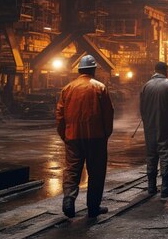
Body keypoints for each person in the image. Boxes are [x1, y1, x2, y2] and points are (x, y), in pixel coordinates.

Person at [56, 55, 114, 219]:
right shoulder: (100, 87)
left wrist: (65, 135)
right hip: (96, 137)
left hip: (73, 137)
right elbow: (108, 113)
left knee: (72, 170)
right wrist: (105, 134)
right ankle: (93, 208)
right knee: (96, 172)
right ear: (93, 70)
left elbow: (60, 115)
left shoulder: (67, 88)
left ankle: (69, 198)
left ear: (80, 70)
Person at [140, 61, 168, 198]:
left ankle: (151, 187)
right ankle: (165, 187)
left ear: (155, 70)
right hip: (166, 126)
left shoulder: (146, 86)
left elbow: (141, 109)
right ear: (166, 70)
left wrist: (146, 122)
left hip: (150, 127)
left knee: (151, 155)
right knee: (166, 155)